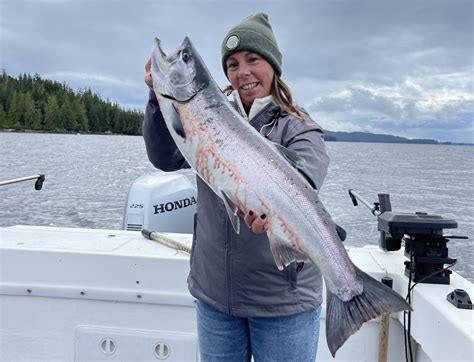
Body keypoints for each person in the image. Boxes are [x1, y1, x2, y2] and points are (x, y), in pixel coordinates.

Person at [143, 13, 330, 362]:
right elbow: (166, 157)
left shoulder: (300, 127)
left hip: (282, 301)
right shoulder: (206, 116)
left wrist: (272, 211)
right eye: (232, 64)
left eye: (252, 59)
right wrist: (158, 100)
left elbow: (306, 181)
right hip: (216, 297)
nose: (242, 71)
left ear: (273, 64)